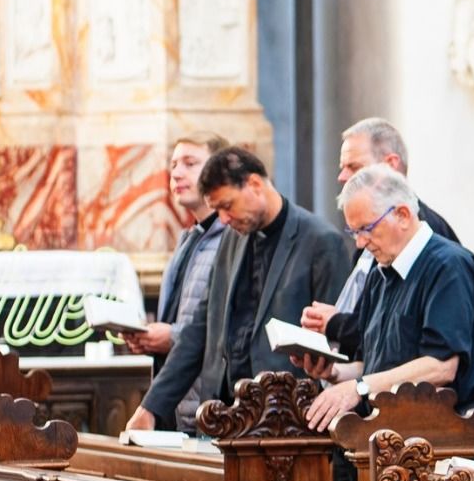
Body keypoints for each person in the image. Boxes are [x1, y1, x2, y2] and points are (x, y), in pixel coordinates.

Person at [127, 148, 350, 433]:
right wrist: (151, 408)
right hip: (223, 415)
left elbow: (334, 345)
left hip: (287, 423)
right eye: (216, 209)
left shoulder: (321, 242)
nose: (223, 219)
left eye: (227, 205)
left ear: (255, 185)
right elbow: (199, 329)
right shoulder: (232, 240)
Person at [297, 166, 474, 452]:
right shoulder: (379, 270)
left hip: (442, 441)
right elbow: (371, 364)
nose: (360, 243)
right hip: (383, 437)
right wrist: (333, 374)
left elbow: (441, 366)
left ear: (402, 214)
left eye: (366, 229)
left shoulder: (449, 265)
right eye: (353, 232)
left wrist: (359, 388)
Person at [303, 118, 460, 361]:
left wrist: (335, 324)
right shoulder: (379, 257)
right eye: (356, 232)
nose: (342, 177)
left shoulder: (437, 246)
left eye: (354, 167)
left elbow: (427, 353)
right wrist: (337, 373)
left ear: (390, 165)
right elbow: (376, 339)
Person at [120, 132, 230, 432]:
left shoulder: (233, 241)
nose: (177, 173)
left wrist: (172, 336)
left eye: (190, 163)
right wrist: (148, 337)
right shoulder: (189, 237)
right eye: (173, 165)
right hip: (179, 401)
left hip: (210, 403)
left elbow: (225, 326)